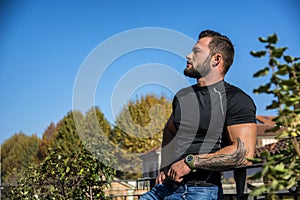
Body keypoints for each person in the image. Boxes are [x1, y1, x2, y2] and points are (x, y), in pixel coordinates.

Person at [140, 30, 257, 200]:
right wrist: (165, 166)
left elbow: (244, 154)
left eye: (196, 52)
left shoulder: (236, 99)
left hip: (201, 191)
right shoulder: (183, 97)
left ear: (216, 59)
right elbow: (170, 130)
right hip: (166, 187)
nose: (188, 56)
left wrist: (191, 162)